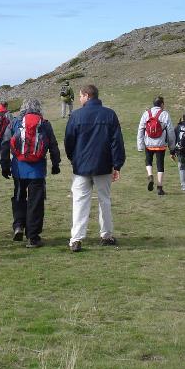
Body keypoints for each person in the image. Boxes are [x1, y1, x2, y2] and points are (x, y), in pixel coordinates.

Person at [63, 84, 125, 252]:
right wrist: (117, 164)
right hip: (104, 165)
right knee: (104, 201)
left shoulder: (76, 116)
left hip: (81, 166)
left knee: (80, 202)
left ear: (87, 96)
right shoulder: (109, 115)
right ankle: (106, 235)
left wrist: (73, 159)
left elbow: (69, 141)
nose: (80, 99)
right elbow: (116, 142)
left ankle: (76, 239)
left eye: (81, 96)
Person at [0, 98, 61, 248]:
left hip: (19, 169)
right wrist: (55, 164)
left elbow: (5, 144)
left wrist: (5, 165)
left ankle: (19, 225)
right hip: (37, 171)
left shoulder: (14, 123)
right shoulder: (45, 124)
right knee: (35, 203)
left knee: (19, 197)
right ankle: (33, 238)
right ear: (39, 108)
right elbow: (53, 145)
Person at [136, 96, 175, 196]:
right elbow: (170, 131)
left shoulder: (146, 114)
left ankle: (150, 175)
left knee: (148, 161)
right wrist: (172, 147)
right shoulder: (164, 114)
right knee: (160, 165)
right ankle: (159, 187)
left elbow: (141, 129)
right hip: (160, 144)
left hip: (148, 143)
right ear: (162, 104)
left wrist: (140, 145)